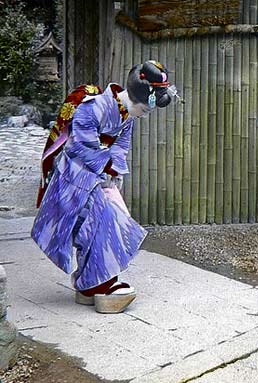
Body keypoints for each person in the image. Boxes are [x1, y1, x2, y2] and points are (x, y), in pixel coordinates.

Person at [32, 61, 174, 314]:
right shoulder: (93, 106)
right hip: (74, 177)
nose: (144, 114)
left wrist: (115, 170)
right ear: (134, 96)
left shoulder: (127, 116)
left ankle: (92, 283)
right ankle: (97, 284)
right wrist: (106, 165)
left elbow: (121, 146)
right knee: (98, 223)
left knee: (104, 222)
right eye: (144, 109)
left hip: (99, 177)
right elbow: (79, 145)